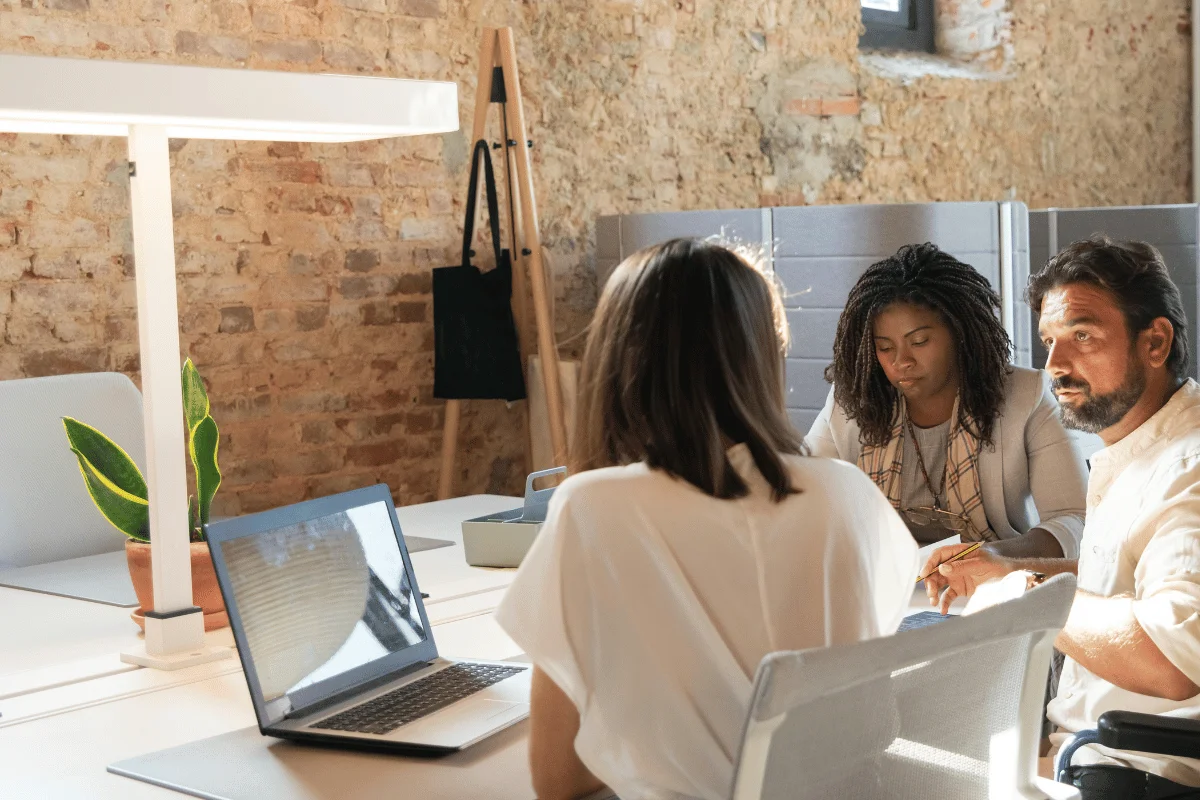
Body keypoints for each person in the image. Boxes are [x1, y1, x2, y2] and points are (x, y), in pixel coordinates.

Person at [494, 238, 918, 800]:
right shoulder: (847, 493)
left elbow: (558, 780)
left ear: (620, 357)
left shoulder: (591, 507)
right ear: (763, 352)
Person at [924, 236, 1200, 799]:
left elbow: (1174, 656)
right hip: (1092, 756)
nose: (1054, 365)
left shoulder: (1188, 468)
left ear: (1155, 342)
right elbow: (1128, 577)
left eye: (1082, 336)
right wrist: (1001, 566)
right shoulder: (1142, 448)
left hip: (1139, 774)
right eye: (1049, 341)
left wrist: (1025, 592)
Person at [807, 243, 1088, 564]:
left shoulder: (1025, 396)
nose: (902, 361)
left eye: (919, 342)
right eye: (884, 347)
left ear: (959, 333)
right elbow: (804, 501)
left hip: (988, 585)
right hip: (881, 582)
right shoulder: (852, 402)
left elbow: (1074, 519)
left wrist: (990, 556)